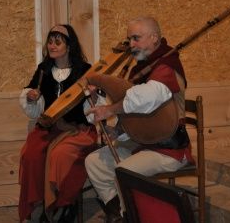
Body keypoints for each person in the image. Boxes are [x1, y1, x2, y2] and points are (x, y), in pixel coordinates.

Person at [84, 16, 193, 223]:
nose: (131, 45)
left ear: (154, 38)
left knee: (122, 171)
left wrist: (109, 110)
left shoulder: (167, 67)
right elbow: (138, 117)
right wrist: (118, 131)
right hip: (142, 144)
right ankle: (120, 214)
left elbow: (145, 99)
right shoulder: (142, 68)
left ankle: (132, 214)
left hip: (169, 150)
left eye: (136, 38)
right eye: (129, 39)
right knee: (94, 162)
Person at [18, 24, 98, 222]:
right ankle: (41, 204)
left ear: (69, 46)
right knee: (31, 154)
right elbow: (33, 100)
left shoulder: (85, 71)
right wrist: (31, 97)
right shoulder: (43, 70)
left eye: (58, 42)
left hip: (78, 130)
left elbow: (97, 106)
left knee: (60, 155)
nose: (52, 46)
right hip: (49, 128)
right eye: (50, 41)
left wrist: (94, 96)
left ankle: (63, 204)